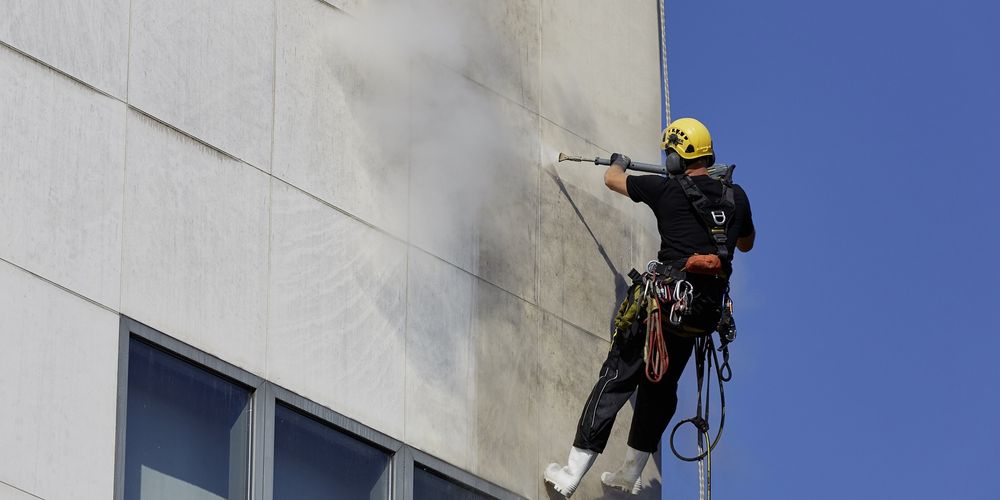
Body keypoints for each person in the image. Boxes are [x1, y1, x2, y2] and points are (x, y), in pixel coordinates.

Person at [543, 118, 755, 497]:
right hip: (696, 318)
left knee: (617, 378)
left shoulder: (665, 191)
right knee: (660, 391)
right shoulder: (736, 197)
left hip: (661, 309)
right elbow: (746, 243)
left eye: (667, 153)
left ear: (676, 156)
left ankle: (571, 472)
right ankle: (629, 473)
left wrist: (619, 161)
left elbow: (612, 180)